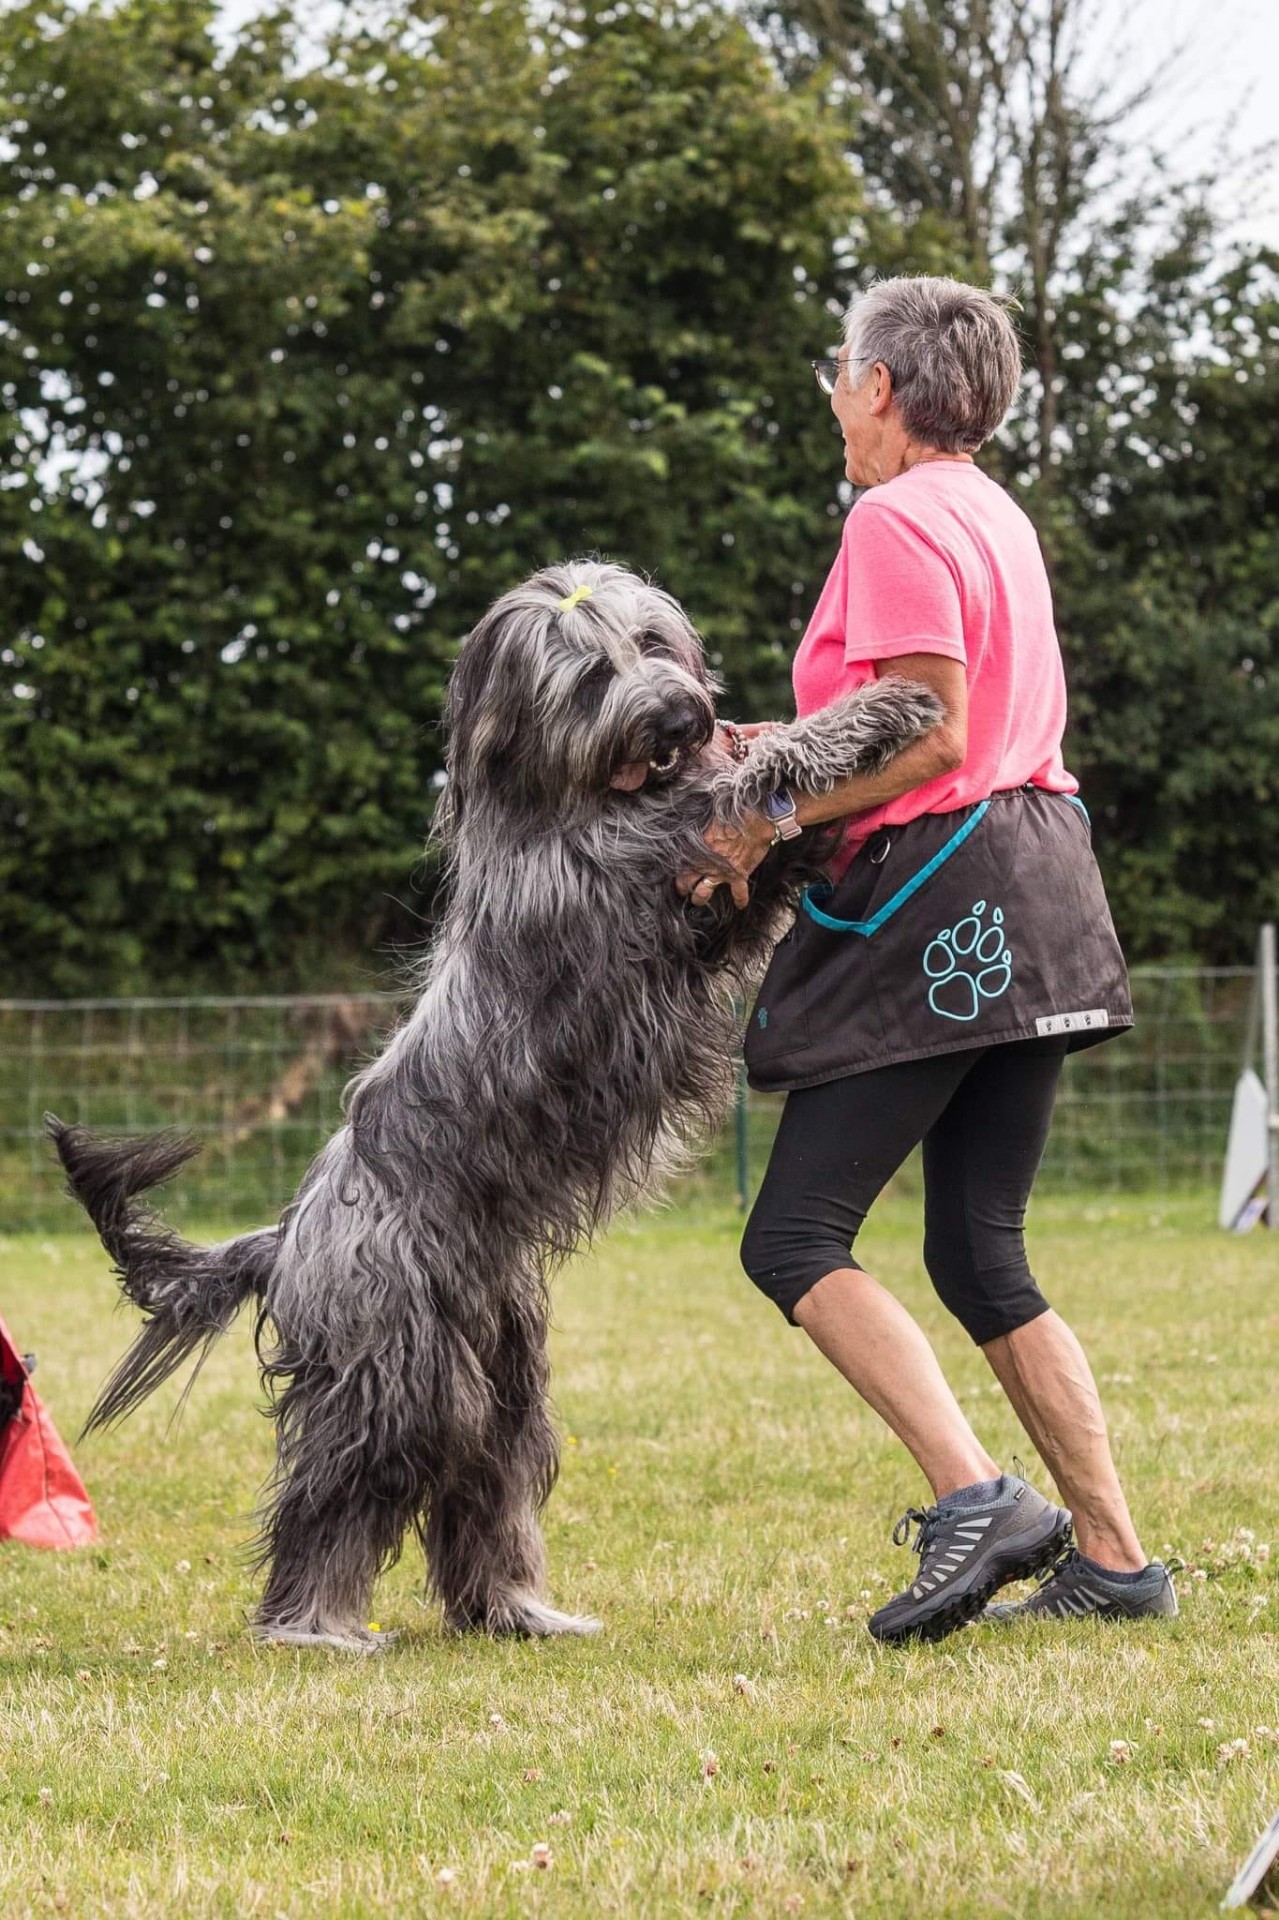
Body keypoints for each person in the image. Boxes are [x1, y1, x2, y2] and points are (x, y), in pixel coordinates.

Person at [685, 276, 1177, 1642]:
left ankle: (981, 1498)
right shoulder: (993, 513)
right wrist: (756, 748)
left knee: (793, 1236)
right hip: (1045, 881)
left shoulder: (894, 514)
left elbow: (929, 733)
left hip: (945, 889)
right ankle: (1116, 1562)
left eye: (842, 378)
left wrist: (761, 819)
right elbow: (906, 714)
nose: (838, 404)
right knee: (979, 1249)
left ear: (883, 387)